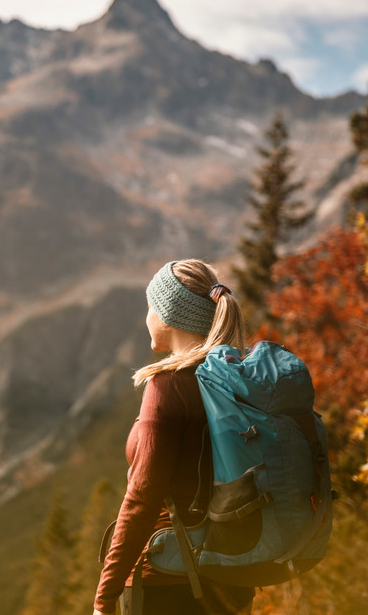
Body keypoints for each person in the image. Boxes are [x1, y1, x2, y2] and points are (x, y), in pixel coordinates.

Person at [93, 259, 255, 615]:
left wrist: (105, 597)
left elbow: (141, 499)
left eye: (150, 306)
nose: (147, 315)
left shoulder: (168, 388)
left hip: (170, 581)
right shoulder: (235, 379)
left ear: (168, 314)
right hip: (231, 575)